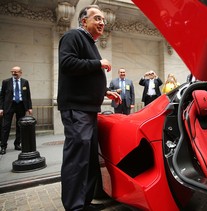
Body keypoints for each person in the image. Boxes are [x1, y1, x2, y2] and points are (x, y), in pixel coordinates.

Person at [57, 5, 121, 211]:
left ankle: (84, 203)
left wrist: (105, 92)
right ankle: (74, 207)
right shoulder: (73, 36)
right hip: (77, 110)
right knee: (77, 160)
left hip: (89, 110)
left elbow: (84, 78)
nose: (102, 22)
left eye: (103, 19)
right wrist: (98, 63)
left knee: (89, 160)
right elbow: (67, 63)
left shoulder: (88, 42)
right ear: (84, 21)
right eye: (97, 18)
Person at [0, 66, 32, 155]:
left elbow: (28, 95)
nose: (14, 73)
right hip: (9, 106)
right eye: (12, 72)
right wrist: (1, 108)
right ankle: (3, 146)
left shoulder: (25, 82)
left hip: (21, 105)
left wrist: (29, 107)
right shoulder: (6, 82)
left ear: (20, 73)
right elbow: (2, 96)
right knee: (5, 127)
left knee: (20, 126)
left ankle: (17, 144)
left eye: (16, 72)